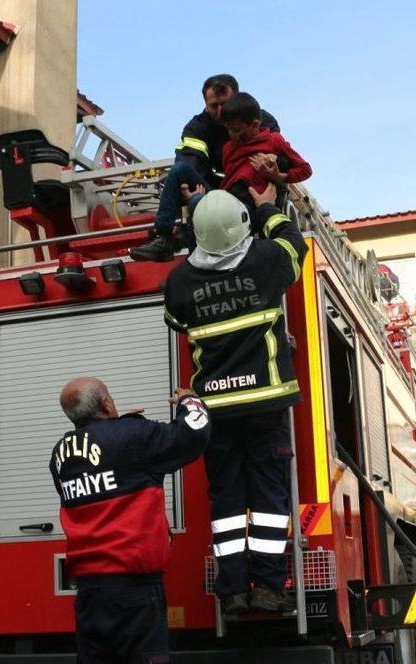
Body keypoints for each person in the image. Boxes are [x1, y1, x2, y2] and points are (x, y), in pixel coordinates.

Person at [163, 184, 308, 616]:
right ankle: (267, 588)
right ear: (242, 226)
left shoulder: (180, 281)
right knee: (268, 497)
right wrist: (266, 208)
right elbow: (292, 243)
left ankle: (231, 592)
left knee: (226, 500)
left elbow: (175, 318)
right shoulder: (266, 262)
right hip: (265, 404)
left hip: (216, 412)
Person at [49, 377, 210, 663]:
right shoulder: (132, 435)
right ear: (106, 403)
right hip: (135, 592)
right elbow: (193, 434)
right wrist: (190, 401)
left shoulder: (60, 456)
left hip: (89, 593)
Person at [130, 74, 280, 262]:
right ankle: (164, 238)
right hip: (220, 191)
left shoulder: (261, 120)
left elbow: (282, 160)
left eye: (224, 104)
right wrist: (194, 193)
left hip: (253, 194)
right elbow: (190, 161)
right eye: (213, 106)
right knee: (180, 172)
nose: (219, 111)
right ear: (205, 104)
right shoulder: (197, 127)